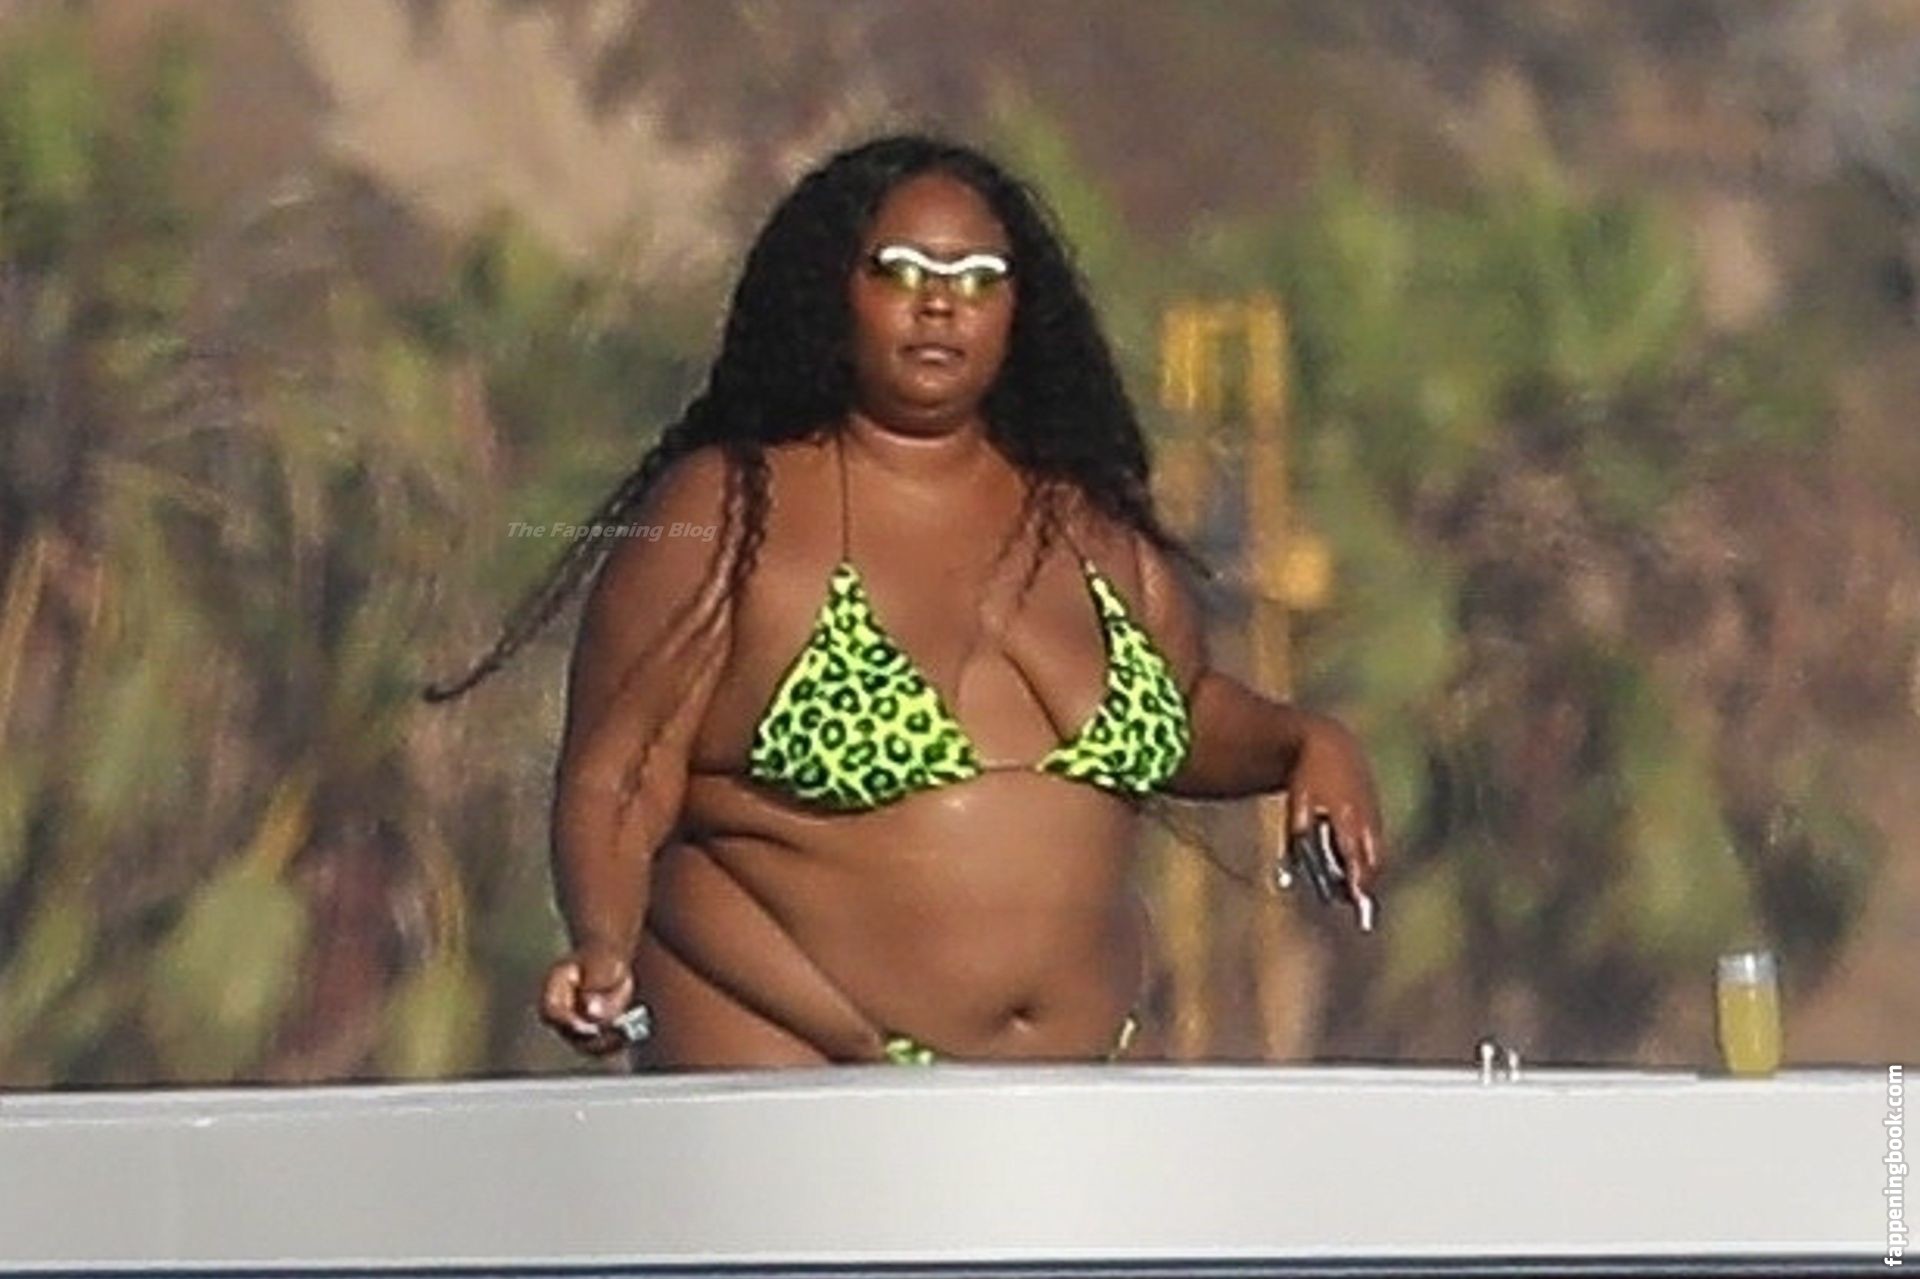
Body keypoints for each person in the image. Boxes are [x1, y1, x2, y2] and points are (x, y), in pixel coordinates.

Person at [425, 134, 1385, 1067]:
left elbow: (1183, 715)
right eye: (902, 270)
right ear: (833, 290)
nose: (940, 304)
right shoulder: (727, 512)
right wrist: (601, 942)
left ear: (1018, 309)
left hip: (1057, 1090)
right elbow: (621, 772)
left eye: (978, 277)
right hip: (791, 1045)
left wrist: (1305, 742)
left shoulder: (1094, 530)